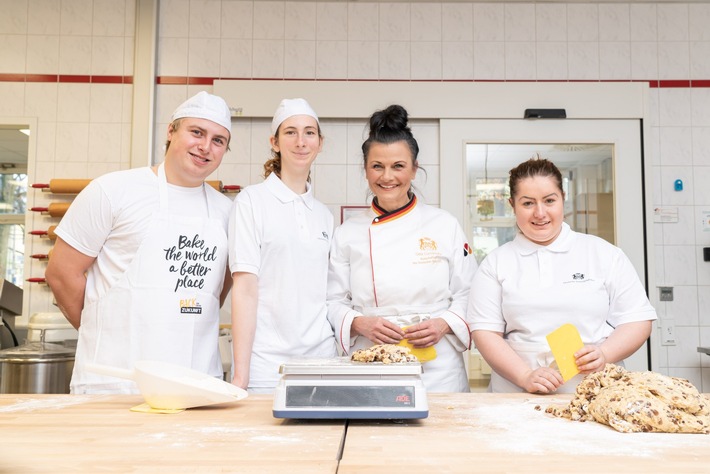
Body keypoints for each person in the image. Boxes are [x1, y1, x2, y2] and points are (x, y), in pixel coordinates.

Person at [45, 91, 234, 394]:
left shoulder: (227, 212)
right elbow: (61, 273)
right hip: (114, 381)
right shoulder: (112, 190)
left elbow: (217, 288)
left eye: (218, 140)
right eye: (196, 132)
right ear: (171, 131)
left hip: (195, 385)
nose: (205, 146)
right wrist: (99, 329)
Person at [467, 157, 657, 394]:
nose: (540, 213)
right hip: (515, 394)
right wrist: (525, 376)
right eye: (527, 203)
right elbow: (485, 333)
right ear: (512, 204)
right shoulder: (496, 263)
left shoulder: (603, 254)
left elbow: (637, 320)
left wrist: (605, 353)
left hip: (595, 393)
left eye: (549, 201)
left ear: (562, 199)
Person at [327, 105, 477, 392]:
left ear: (415, 168)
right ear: (365, 169)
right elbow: (332, 301)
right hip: (373, 357)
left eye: (398, 166)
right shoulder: (347, 234)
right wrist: (359, 323)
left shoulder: (444, 225)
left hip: (438, 367)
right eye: (377, 166)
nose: (387, 177)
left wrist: (443, 323)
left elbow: (469, 292)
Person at [229, 98, 337, 393]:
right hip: (267, 364)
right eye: (290, 132)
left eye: (309, 133)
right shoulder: (251, 201)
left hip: (322, 360)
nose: (301, 141)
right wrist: (241, 375)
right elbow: (245, 288)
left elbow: (327, 294)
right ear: (274, 142)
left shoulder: (324, 216)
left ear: (320, 142)